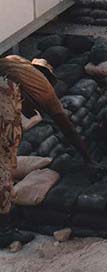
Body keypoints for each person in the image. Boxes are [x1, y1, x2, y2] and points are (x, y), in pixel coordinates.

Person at [0, 55, 93, 248]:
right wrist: (87, 157)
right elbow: (67, 127)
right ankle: (4, 232)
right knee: (4, 160)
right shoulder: (45, 90)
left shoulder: (17, 63)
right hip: (3, 93)